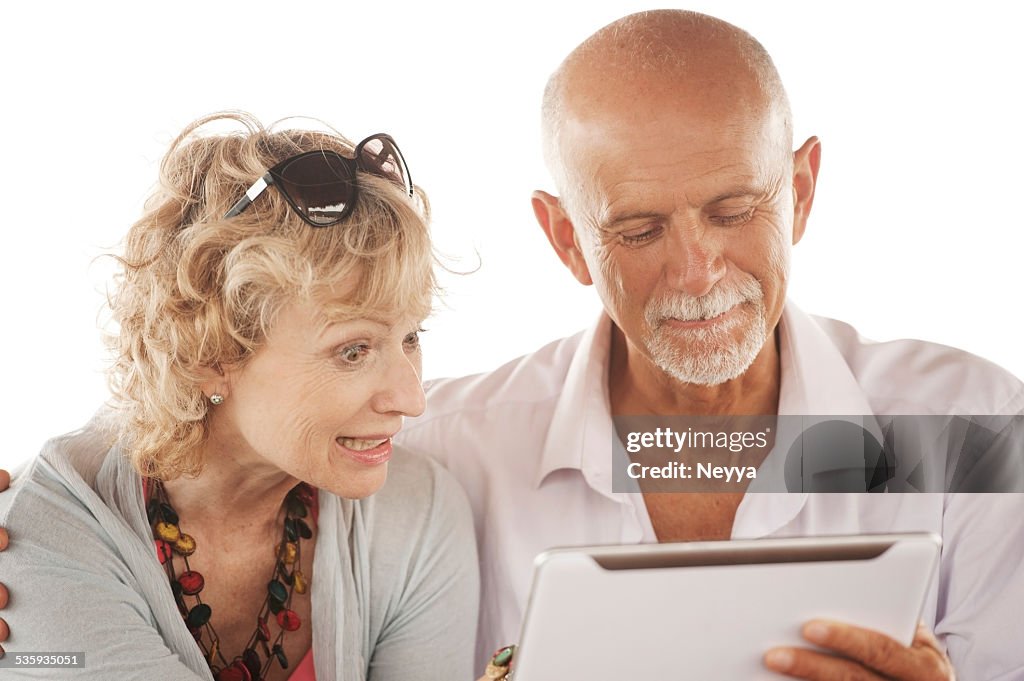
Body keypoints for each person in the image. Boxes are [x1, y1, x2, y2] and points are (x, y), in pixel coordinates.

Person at [396, 9, 1023, 680]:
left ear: (801, 195)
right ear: (567, 240)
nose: (697, 273)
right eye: (639, 230)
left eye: (733, 212)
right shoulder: (442, 453)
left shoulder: (978, 431)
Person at [0, 112, 478, 680]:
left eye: (410, 337)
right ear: (208, 356)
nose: (411, 398)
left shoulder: (416, 509)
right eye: (353, 350)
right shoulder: (45, 538)